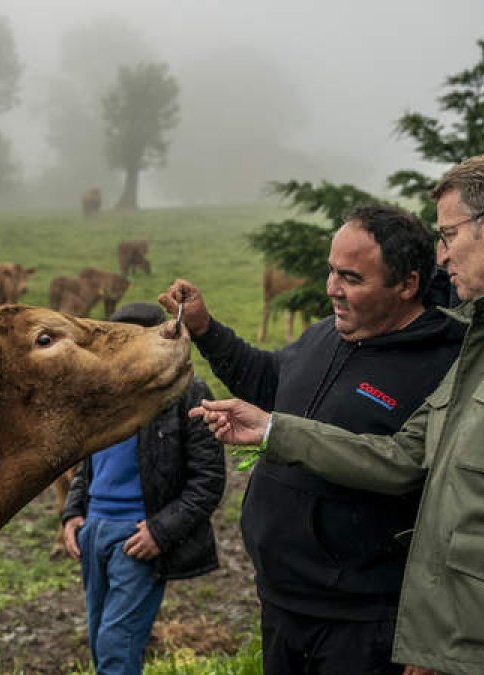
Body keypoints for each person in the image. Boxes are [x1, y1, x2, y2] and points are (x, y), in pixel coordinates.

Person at [192, 152, 484, 675]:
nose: (441, 258)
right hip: (453, 648)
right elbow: (403, 456)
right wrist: (271, 429)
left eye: (448, 236)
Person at [157, 203, 465, 675]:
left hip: (364, 623)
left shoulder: (445, 366)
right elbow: (269, 380)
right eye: (330, 271)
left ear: (407, 286)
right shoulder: (328, 334)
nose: (331, 289)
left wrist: (430, 641)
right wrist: (204, 328)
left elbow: (438, 496)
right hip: (283, 603)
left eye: (351, 278)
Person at [61, 301, 226, 675]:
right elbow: (87, 465)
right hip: (94, 534)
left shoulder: (189, 394)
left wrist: (160, 531)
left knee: (117, 646)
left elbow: (209, 479)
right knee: (100, 641)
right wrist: (73, 513)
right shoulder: (101, 396)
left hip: (138, 538)